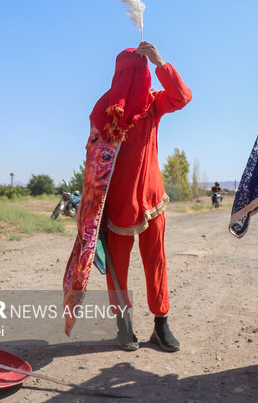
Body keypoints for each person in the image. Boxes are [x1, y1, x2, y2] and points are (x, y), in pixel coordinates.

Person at [63, 41, 192, 352]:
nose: (133, 81)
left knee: (156, 263)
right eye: (128, 74)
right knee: (118, 269)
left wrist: (160, 61)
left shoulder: (153, 104)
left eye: (138, 73)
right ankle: (124, 325)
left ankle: (161, 325)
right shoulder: (103, 111)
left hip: (152, 202)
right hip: (116, 206)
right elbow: (95, 164)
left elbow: (183, 97)